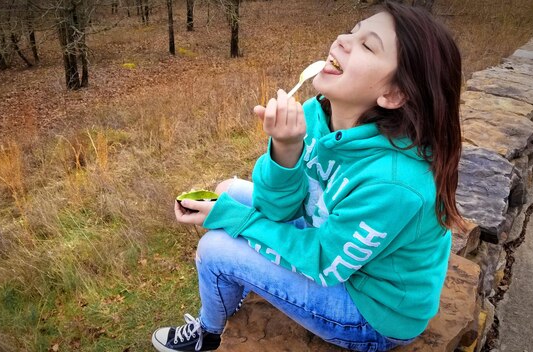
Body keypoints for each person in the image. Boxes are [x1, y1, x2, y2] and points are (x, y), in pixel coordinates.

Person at [151, 1, 464, 351]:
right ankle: (234, 282)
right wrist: (285, 149)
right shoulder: (318, 114)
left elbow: (322, 262)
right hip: (333, 243)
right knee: (227, 188)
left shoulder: (395, 183)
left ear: (393, 94)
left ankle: (208, 334)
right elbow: (279, 209)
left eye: (367, 45)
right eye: (353, 30)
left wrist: (231, 216)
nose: (343, 40)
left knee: (214, 248)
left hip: (370, 311)